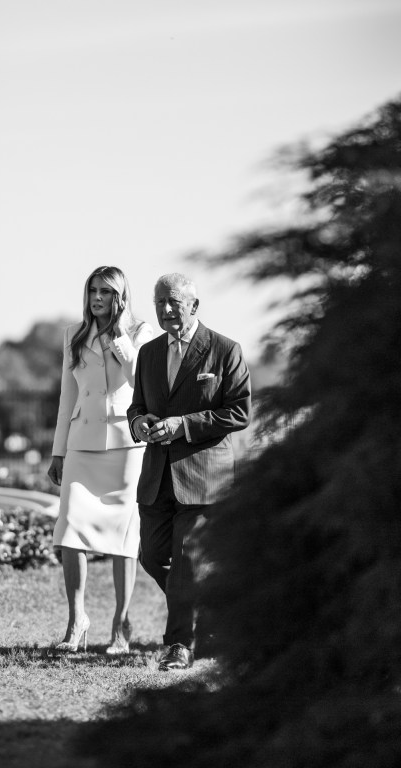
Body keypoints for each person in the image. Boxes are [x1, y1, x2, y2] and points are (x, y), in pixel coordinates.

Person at [127, 272, 251, 671]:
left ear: (194, 306)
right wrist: (139, 423)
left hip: (203, 478)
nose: (164, 310)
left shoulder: (225, 350)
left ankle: (180, 644)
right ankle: (212, 616)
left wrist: (182, 424)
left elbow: (239, 412)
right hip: (157, 478)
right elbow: (136, 406)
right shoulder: (148, 353)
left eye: (174, 303)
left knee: (184, 560)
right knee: (153, 556)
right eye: (159, 302)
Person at [48, 265, 156, 654]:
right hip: (81, 442)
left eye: (106, 292)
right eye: (93, 290)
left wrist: (119, 338)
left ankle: (121, 625)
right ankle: (77, 619)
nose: (97, 298)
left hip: (128, 447)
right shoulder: (73, 335)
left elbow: (139, 378)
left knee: (124, 538)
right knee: (71, 528)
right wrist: (58, 450)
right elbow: (67, 398)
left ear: (120, 296)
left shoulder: (142, 332)